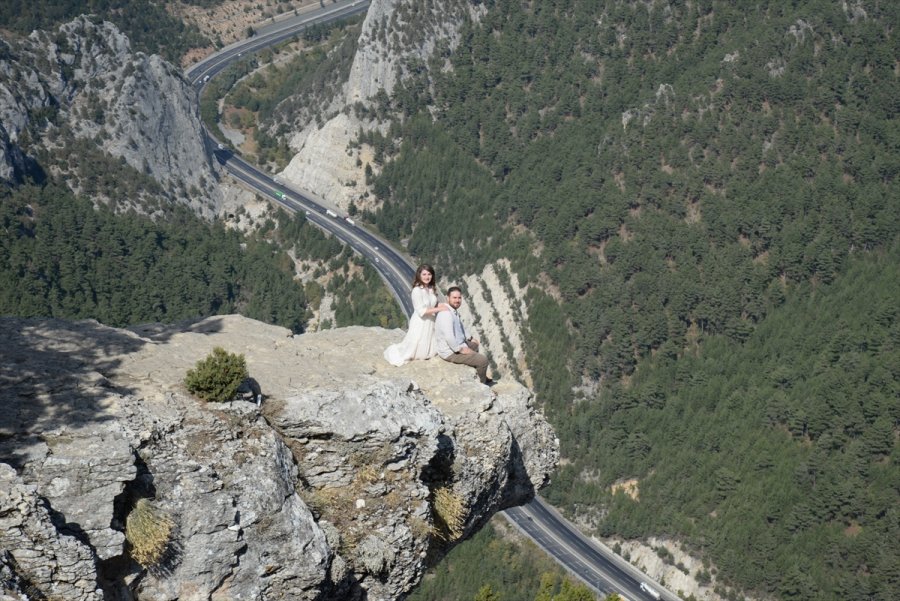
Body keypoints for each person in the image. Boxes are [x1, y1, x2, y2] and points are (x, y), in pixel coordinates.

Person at [383, 264, 448, 366]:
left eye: (429, 274)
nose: (427, 277)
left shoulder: (431, 288)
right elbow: (422, 311)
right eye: (424, 274)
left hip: (431, 321)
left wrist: (444, 305)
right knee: (415, 347)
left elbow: (433, 304)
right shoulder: (417, 291)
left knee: (430, 349)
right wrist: (440, 309)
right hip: (421, 322)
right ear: (419, 275)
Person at [434, 286, 491, 384]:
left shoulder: (452, 310)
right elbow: (449, 337)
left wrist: (470, 338)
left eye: (459, 298)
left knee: (474, 345)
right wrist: (461, 350)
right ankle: (482, 385)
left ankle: (477, 372)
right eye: (454, 298)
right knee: (483, 361)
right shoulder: (446, 314)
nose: (457, 300)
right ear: (448, 298)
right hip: (450, 351)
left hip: (457, 345)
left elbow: (460, 326)